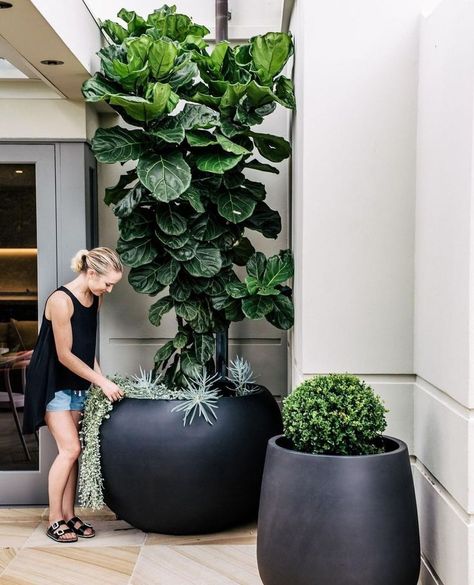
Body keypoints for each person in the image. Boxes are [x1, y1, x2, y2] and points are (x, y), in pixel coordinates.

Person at [23, 247, 124, 543]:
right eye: (108, 282)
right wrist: (102, 383)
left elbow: (85, 347)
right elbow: (65, 355)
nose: (110, 289)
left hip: (77, 382)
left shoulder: (96, 297)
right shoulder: (60, 301)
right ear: (91, 272)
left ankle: (68, 515)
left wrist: (99, 379)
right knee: (70, 450)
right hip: (53, 382)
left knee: (73, 451)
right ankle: (54, 519)